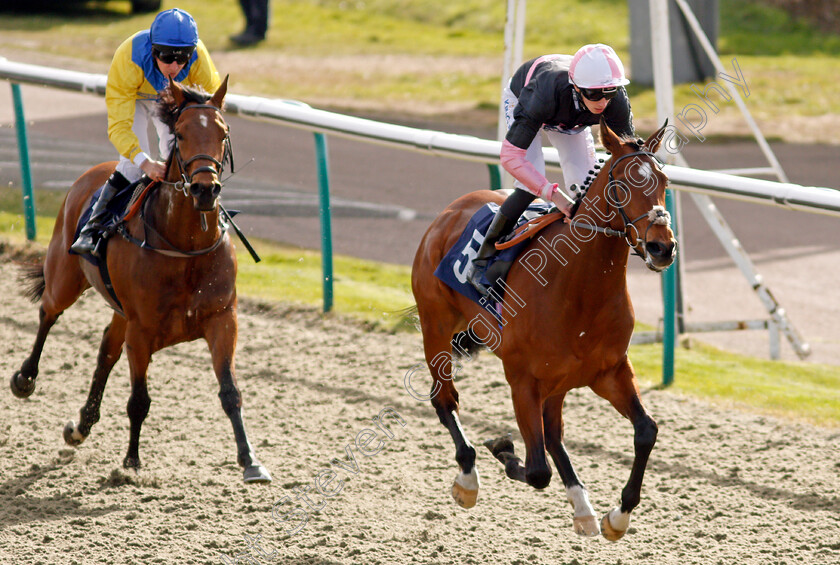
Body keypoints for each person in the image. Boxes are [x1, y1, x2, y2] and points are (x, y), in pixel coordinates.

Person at [467, 43, 636, 296]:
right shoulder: (544, 93)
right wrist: (553, 194)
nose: (602, 102)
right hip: (529, 99)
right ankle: (483, 262)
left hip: (571, 120)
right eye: (594, 94)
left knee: (588, 193)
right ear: (577, 87)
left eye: (609, 92)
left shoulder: (616, 100)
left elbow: (626, 155)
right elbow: (511, 157)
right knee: (527, 186)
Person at [71, 8, 222, 257]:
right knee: (132, 166)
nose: (174, 65)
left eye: (182, 57)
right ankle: (93, 226)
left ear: (192, 53)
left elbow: (208, 111)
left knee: (181, 158)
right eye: (166, 56)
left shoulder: (200, 62)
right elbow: (119, 127)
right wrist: (145, 162)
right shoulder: (128, 58)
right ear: (153, 49)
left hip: (174, 100)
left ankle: (203, 221)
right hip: (135, 98)